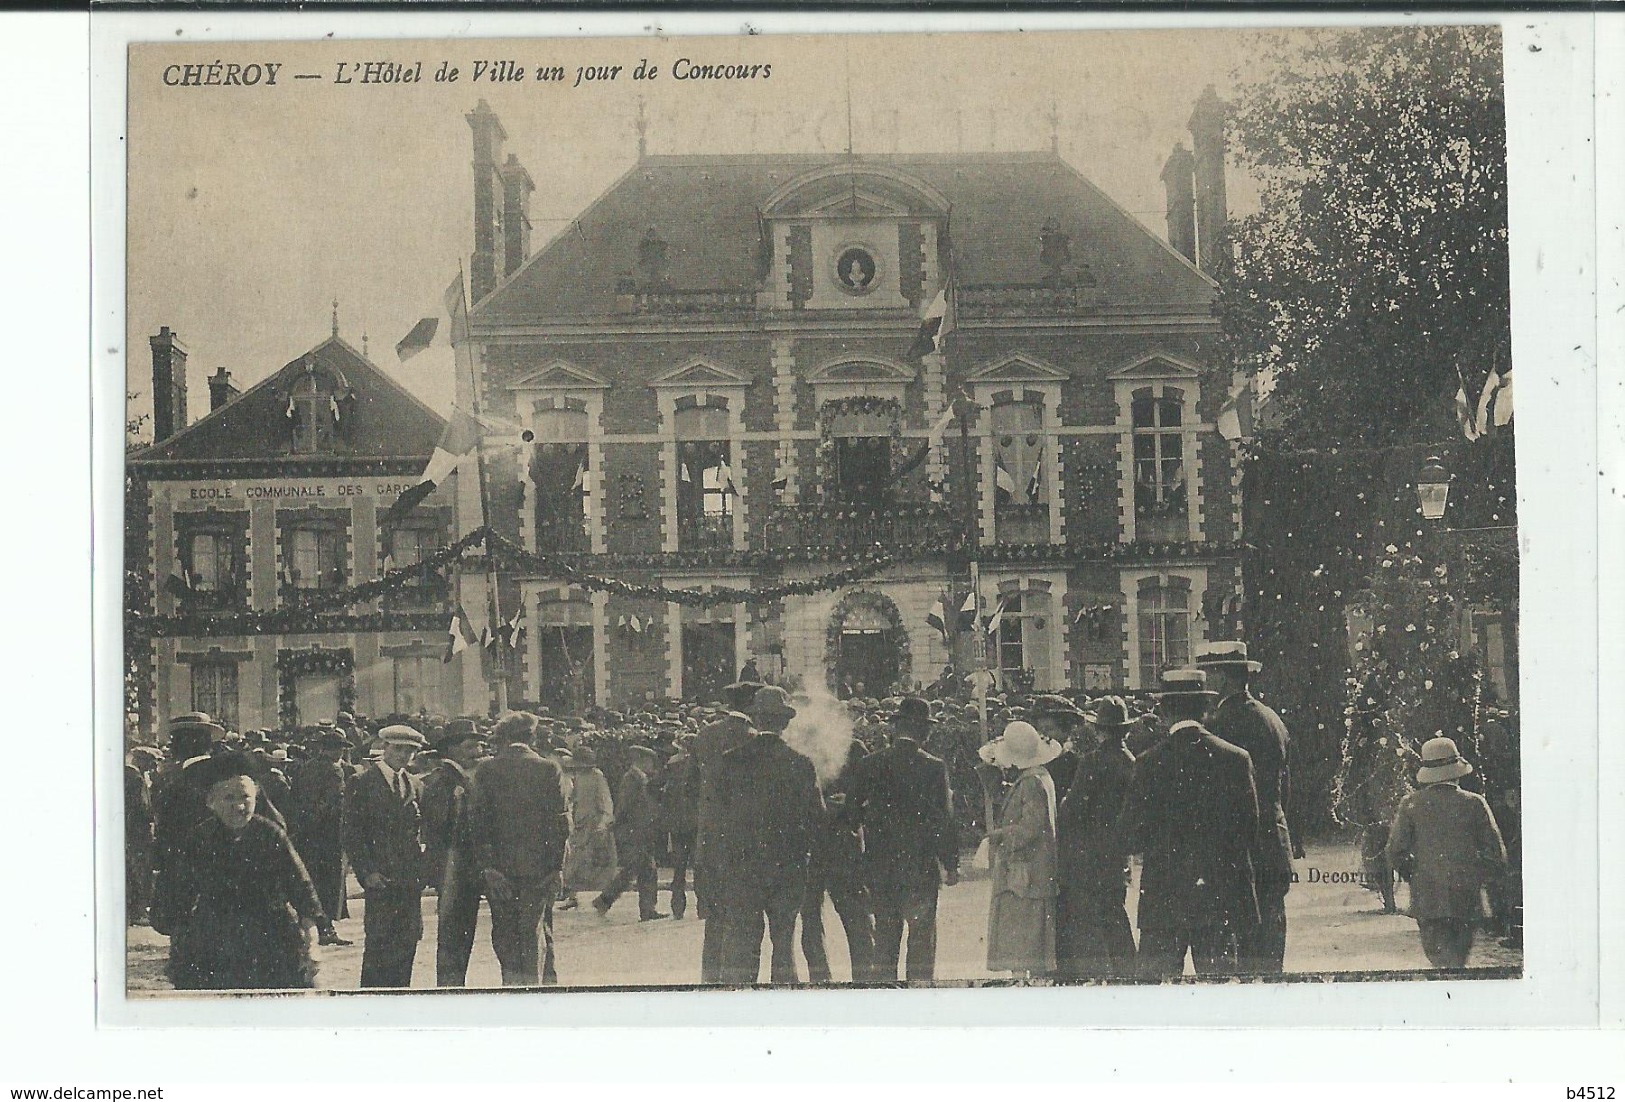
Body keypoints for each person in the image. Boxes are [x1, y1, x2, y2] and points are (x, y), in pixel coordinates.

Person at [150, 752, 338, 990]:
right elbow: (175, 900)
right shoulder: (198, 840)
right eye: (228, 798)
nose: (239, 806)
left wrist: (312, 943)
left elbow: (302, 891)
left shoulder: (271, 835)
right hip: (214, 944)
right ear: (211, 802)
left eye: (245, 797)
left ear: (257, 797)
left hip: (272, 942)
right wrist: (181, 948)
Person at [1122, 669, 1260, 979]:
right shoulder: (1236, 759)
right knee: (1220, 994)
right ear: (1205, 708)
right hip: (1218, 896)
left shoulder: (1147, 763)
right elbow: (1249, 830)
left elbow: (1131, 834)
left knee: (1156, 997)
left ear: (1165, 711)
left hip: (1163, 897)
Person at [1197, 640, 1300, 974]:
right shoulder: (1272, 719)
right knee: (1271, 935)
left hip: (1240, 847)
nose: (1206, 683)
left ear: (1224, 678)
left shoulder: (1221, 725)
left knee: (1239, 942)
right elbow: (1283, 788)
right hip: (1274, 840)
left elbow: (1218, 797)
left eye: (1209, 674)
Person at [713, 686, 825, 985]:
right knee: (783, 943)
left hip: (744, 864)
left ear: (755, 720)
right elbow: (817, 818)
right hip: (788, 866)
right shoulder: (800, 763)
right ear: (784, 723)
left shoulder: (731, 760)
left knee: (744, 942)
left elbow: (719, 816)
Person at [845, 696, 958, 983]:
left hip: (880, 867)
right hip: (920, 868)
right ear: (924, 731)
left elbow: (851, 815)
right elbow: (943, 821)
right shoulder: (934, 767)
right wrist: (951, 864)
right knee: (921, 942)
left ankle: (885, 1002)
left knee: (885, 937)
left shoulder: (871, 763)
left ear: (895, 728)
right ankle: (918, 1003)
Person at [1385, 737, 1508, 969]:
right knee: (1459, 961)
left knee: (1438, 960)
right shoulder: (1475, 803)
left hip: (1427, 897)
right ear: (1457, 771)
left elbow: (1394, 851)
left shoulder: (1410, 804)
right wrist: (1476, 876)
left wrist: (1416, 875)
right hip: (1466, 897)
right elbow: (1496, 854)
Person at [469, 712, 572, 985]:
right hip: (539, 869)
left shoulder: (486, 770)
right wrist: (557, 868)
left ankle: (513, 987)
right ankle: (539, 990)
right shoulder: (549, 769)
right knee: (535, 930)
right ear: (532, 738)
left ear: (503, 739)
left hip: (500, 870)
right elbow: (560, 824)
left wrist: (488, 867)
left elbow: (478, 824)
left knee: (505, 933)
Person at [1055, 695, 1138, 980]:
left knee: (1088, 925)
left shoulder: (1092, 762)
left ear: (1100, 730)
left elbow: (1072, 809)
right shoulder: (1131, 762)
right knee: (1116, 916)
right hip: (1116, 853)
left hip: (1087, 854)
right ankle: (1128, 976)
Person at [344, 724, 428, 988]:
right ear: (385, 748)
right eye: (399, 749)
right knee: (379, 945)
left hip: (409, 880)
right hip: (380, 878)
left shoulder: (415, 784)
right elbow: (352, 833)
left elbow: (419, 832)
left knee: (407, 943)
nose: (404, 756)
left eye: (411, 751)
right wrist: (367, 872)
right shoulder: (362, 782)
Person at [978, 721, 1061, 979]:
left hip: (1026, 875)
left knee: (1023, 937)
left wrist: (998, 837)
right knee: (1028, 937)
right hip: (1034, 872)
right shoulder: (1039, 778)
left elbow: (1030, 828)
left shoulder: (1031, 783)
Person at [692, 680, 760, 983]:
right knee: (744, 922)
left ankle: (710, 982)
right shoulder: (752, 738)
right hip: (743, 839)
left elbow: (690, 787)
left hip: (709, 836)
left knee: (715, 920)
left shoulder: (704, 735)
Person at [798, 736, 876, 984]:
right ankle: (822, 981)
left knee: (857, 920)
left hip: (841, 845)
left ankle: (863, 981)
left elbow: (871, 793)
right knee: (812, 919)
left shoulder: (852, 748)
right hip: (814, 845)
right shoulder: (796, 749)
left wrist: (849, 805)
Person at [420, 719, 484, 987]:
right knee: (453, 935)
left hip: (462, 869)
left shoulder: (460, 779)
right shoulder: (442, 781)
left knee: (461, 932)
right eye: (471, 746)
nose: (478, 751)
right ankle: (449, 989)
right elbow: (438, 829)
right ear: (453, 750)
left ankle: (454, 986)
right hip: (452, 868)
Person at [285, 727, 352, 928]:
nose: (341, 753)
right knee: (330, 879)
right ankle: (327, 926)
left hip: (305, 831)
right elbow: (334, 801)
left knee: (312, 877)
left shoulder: (306, 767)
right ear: (334, 750)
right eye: (339, 749)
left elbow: (294, 798)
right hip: (328, 832)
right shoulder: (334, 770)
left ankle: (313, 922)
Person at [594, 745, 668, 920]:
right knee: (645, 870)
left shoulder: (638, 778)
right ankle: (643, 909)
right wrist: (617, 824)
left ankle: (608, 900)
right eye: (650, 761)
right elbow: (624, 805)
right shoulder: (632, 779)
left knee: (637, 870)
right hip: (635, 831)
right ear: (642, 760)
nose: (652, 766)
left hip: (640, 830)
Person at [559, 745, 617, 910]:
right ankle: (572, 896)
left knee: (601, 864)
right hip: (580, 823)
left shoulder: (597, 777)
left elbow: (605, 800)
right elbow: (574, 798)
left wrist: (603, 823)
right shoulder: (578, 776)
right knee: (574, 861)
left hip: (595, 824)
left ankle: (605, 899)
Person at [660, 733, 699, 919]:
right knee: (699, 866)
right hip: (695, 821)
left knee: (679, 867)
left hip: (676, 822)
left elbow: (662, 792)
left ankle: (678, 907)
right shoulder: (700, 766)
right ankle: (703, 906)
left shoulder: (672, 765)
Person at [1027, 694, 1088, 796]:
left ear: (1066, 731)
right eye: (1039, 729)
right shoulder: (1031, 760)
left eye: (1049, 729)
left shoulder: (1075, 765)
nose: (1043, 734)